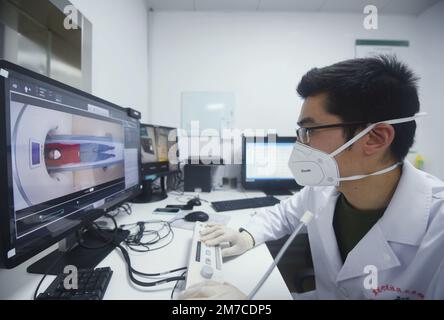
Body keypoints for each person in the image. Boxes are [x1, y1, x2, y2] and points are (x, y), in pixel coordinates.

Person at [179, 55, 444, 300]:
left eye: (309, 130)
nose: (300, 143)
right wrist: (246, 236)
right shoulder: (325, 190)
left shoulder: (437, 229)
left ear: (374, 138)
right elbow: (282, 215)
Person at [45, 142, 115, 166]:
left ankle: (109, 148)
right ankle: (109, 155)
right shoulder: (59, 161)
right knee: (98, 157)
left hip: (80, 148)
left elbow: (54, 145)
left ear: (53, 150)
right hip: (81, 158)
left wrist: (46, 146)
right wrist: (46, 160)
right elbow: (51, 162)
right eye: (53, 156)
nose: (54, 154)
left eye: (53, 152)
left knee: (96, 146)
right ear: (53, 159)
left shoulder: (60, 147)